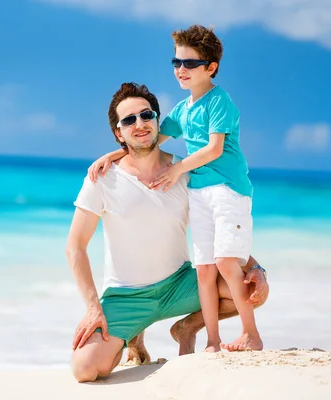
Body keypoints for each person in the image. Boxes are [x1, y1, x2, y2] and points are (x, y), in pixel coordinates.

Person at [66, 82, 269, 383]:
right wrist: (94, 309)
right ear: (118, 133)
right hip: (126, 297)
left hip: (180, 285)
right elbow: (75, 247)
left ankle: (187, 328)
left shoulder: (186, 172)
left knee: (251, 292)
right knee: (86, 369)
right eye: (129, 120)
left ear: (158, 121)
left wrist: (256, 268)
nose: (140, 124)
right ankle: (131, 335)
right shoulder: (103, 178)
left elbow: (217, 233)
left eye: (146, 115)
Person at [89, 25, 260, 353]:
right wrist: (112, 153)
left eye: (190, 64)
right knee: (205, 271)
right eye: (176, 63)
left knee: (226, 263)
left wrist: (177, 168)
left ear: (210, 68)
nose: (181, 70)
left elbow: (214, 149)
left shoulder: (218, 101)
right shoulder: (183, 110)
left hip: (227, 190)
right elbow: (151, 140)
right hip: (199, 192)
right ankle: (211, 340)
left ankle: (251, 334)